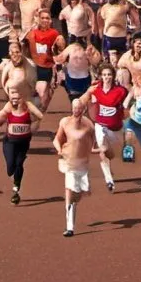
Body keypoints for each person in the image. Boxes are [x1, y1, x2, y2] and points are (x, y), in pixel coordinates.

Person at [0, 86, 44, 204]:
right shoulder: (9, 106)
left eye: (17, 97)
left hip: (24, 142)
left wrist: (33, 116)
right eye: (12, 97)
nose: (14, 99)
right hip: (9, 141)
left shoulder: (28, 106)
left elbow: (39, 116)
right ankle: (13, 177)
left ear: (22, 97)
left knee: (19, 164)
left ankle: (16, 189)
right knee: (10, 168)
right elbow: (0, 116)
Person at [53, 97, 95, 237]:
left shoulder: (88, 124)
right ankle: (70, 226)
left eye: (79, 108)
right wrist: (59, 149)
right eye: (74, 107)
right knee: (70, 192)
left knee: (81, 191)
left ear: (83, 109)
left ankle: (76, 198)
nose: (76, 110)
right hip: (69, 162)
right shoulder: (65, 122)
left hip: (82, 164)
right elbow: (57, 139)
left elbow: (93, 143)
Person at [87, 64, 129, 192]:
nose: (107, 77)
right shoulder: (95, 89)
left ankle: (108, 168)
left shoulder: (120, 91)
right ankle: (109, 179)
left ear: (113, 76)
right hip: (100, 125)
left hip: (115, 127)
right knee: (103, 150)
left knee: (111, 154)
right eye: (104, 75)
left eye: (109, 75)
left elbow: (129, 93)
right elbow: (90, 102)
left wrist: (126, 104)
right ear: (100, 76)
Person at [26, 9, 65, 112]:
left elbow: (61, 50)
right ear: (38, 19)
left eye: (47, 18)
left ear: (51, 20)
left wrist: (60, 42)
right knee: (37, 92)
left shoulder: (54, 33)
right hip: (35, 67)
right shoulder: (32, 33)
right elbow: (25, 49)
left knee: (45, 96)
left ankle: (42, 111)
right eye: (42, 18)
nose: (45, 20)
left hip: (48, 67)